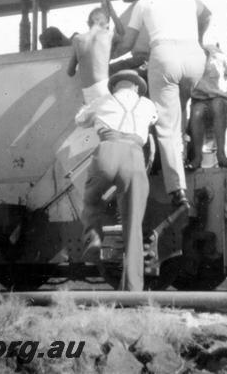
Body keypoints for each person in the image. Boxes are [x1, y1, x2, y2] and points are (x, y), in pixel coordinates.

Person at [113, 0, 211, 209]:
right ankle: (186, 154)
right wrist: (198, 38)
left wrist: (108, 56)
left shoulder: (145, 1)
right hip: (194, 56)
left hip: (165, 54)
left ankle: (177, 189)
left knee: (166, 125)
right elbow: (207, 15)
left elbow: (127, 43)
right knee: (181, 107)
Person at [76, 70, 158, 291]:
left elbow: (80, 120)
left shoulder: (102, 100)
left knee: (92, 200)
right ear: (136, 87)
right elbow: (154, 120)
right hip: (134, 155)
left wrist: (89, 107)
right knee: (133, 226)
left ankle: (93, 236)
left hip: (107, 151)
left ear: (115, 86)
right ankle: (133, 290)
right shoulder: (148, 104)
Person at [187, 44, 227, 170]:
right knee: (197, 111)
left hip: (222, 99)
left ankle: (221, 155)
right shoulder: (190, 62)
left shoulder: (220, 58)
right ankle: (197, 157)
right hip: (200, 100)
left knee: (217, 105)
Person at [67, 8, 113, 104]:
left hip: (87, 90)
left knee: (91, 117)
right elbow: (123, 35)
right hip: (103, 86)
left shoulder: (78, 39)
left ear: (88, 23)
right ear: (107, 24)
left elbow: (70, 72)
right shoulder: (108, 35)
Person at [107, 0, 150, 76]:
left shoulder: (130, 13)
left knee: (106, 74)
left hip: (143, 60)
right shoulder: (165, 4)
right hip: (166, 58)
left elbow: (123, 46)